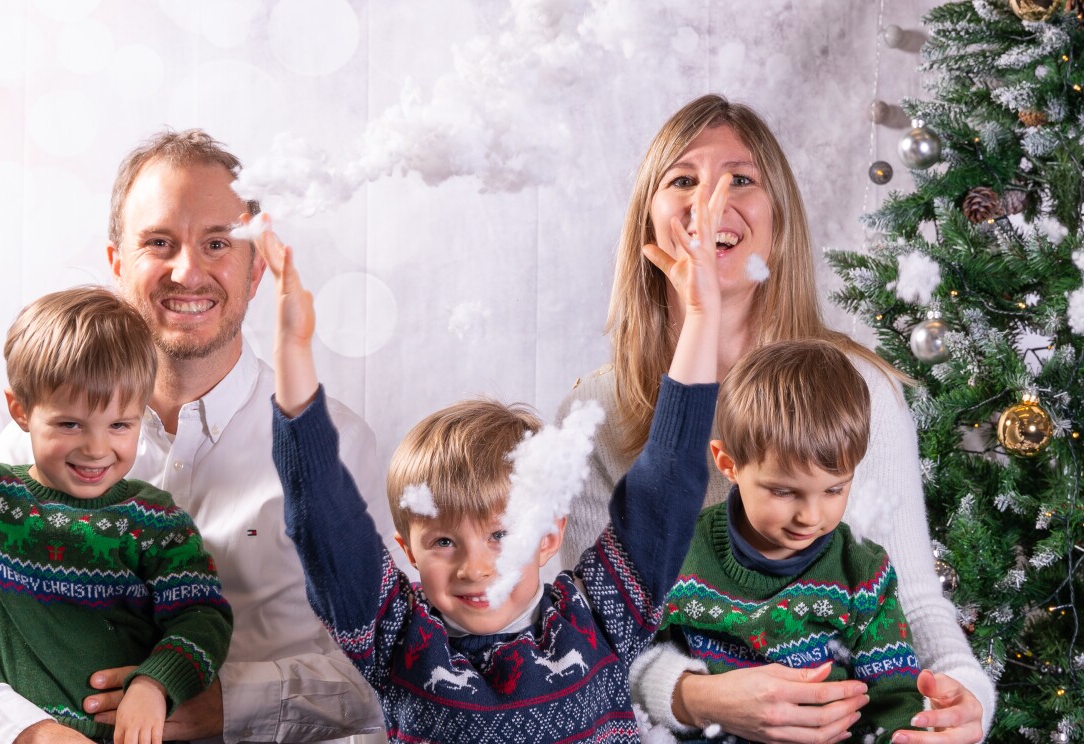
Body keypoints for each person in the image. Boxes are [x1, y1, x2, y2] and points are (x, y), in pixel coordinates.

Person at [0, 130, 391, 744]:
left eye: (218, 243)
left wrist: (225, 702)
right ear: (118, 264)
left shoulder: (333, 448)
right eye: (159, 242)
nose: (187, 271)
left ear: (255, 272)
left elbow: (391, 669)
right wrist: (26, 731)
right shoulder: (34, 447)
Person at [560, 95, 992, 744]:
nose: (711, 202)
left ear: (777, 220)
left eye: (740, 178)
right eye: (683, 180)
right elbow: (586, 636)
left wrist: (967, 696)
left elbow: (914, 598)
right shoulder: (594, 415)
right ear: (649, 222)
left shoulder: (861, 389)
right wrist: (695, 697)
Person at [255, 168, 726, 741]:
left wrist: (701, 319)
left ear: (549, 534)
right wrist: (293, 351)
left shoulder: (600, 616)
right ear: (406, 550)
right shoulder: (396, 639)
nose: (475, 567)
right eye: (443, 542)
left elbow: (668, 480)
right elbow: (322, 517)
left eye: (502, 535)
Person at [0, 287, 234, 744]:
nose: (97, 449)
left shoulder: (155, 520)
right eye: (69, 424)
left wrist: (155, 684)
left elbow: (202, 616)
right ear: (21, 410)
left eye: (120, 425)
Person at [659, 339, 923, 743]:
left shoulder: (863, 574)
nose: (811, 517)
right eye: (784, 492)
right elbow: (629, 668)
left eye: (834, 490)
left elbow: (896, 700)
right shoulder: (678, 553)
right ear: (728, 464)